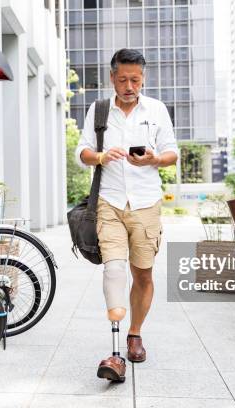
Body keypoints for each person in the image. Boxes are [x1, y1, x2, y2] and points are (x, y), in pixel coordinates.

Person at [75, 48, 179, 382]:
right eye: (123, 79)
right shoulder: (99, 110)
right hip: (110, 202)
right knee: (115, 270)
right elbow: (82, 152)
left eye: (135, 79)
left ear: (143, 78)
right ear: (112, 78)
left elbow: (172, 153)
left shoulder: (157, 110)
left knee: (143, 274)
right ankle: (117, 349)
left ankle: (135, 333)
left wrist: (153, 160)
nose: (129, 85)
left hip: (146, 203)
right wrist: (102, 156)